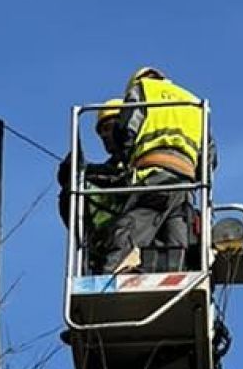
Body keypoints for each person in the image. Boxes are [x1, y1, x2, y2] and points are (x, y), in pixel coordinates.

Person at [98, 67, 205, 274]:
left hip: (154, 174)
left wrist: (128, 160)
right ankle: (176, 273)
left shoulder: (143, 90)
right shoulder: (193, 102)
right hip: (184, 182)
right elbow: (209, 157)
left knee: (132, 223)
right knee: (176, 235)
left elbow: (127, 129)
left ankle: (116, 272)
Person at [58, 100, 131, 273]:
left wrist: (86, 169)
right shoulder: (109, 168)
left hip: (136, 233)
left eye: (109, 127)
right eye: (101, 131)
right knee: (72, 191)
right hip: (108, 241)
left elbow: (120, 180)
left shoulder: (140, 159)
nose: (105, 135)